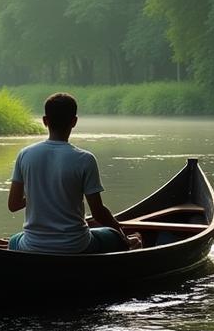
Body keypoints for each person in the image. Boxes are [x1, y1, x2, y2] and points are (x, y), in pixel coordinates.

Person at [7, 92, 137, 254]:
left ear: (45, 121)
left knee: (13, 241)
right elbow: (98, 213)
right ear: (74, 122)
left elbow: (13, 205)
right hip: (76, 246)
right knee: (112, 234)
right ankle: (128, 244)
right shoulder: (85, 159)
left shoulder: (25, 155)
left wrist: (40, 193)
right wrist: (122, 234)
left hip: (32, 246)